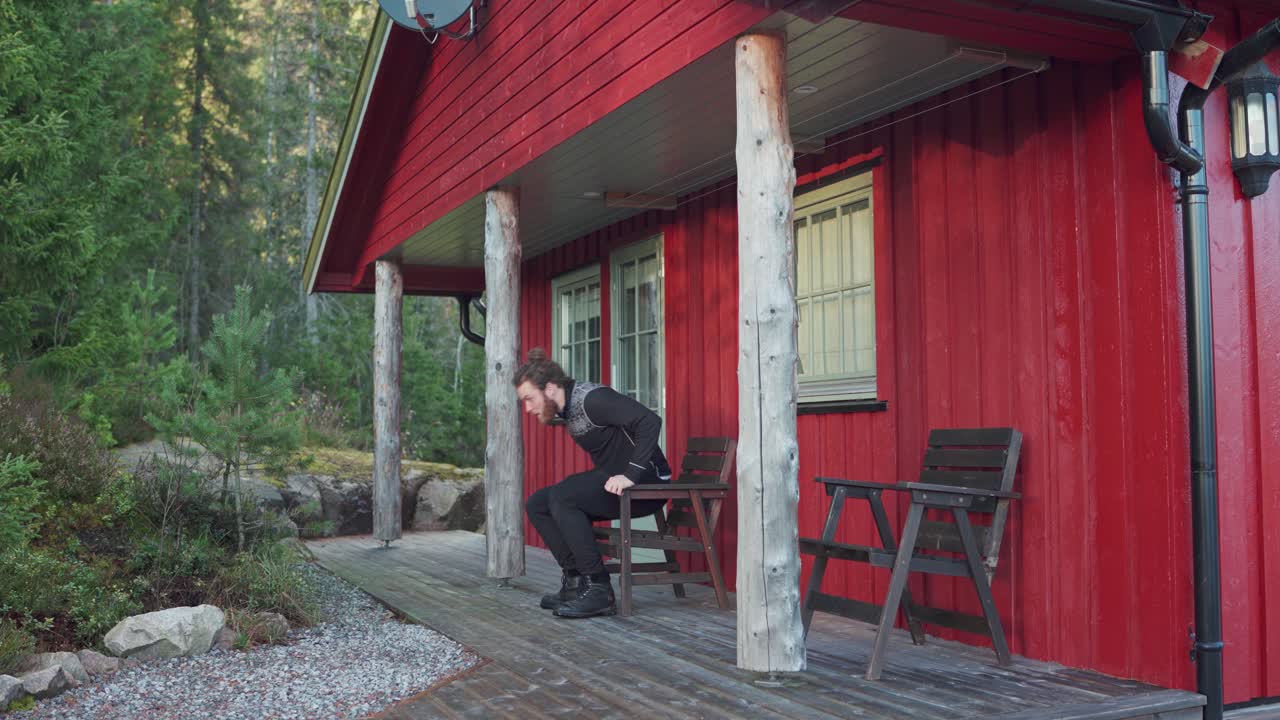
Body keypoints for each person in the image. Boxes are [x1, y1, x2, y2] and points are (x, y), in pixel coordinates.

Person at [514, 348, 671, 618]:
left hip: (647, 483)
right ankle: (575, 581)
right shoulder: (565, 407)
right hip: (616, 483)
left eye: (529, 399)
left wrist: (631, 474)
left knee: (565, 495)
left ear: (550, 388)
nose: (527, 408)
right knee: (538, 503)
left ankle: (599, 589)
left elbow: (650, 420)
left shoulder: (592, 399)